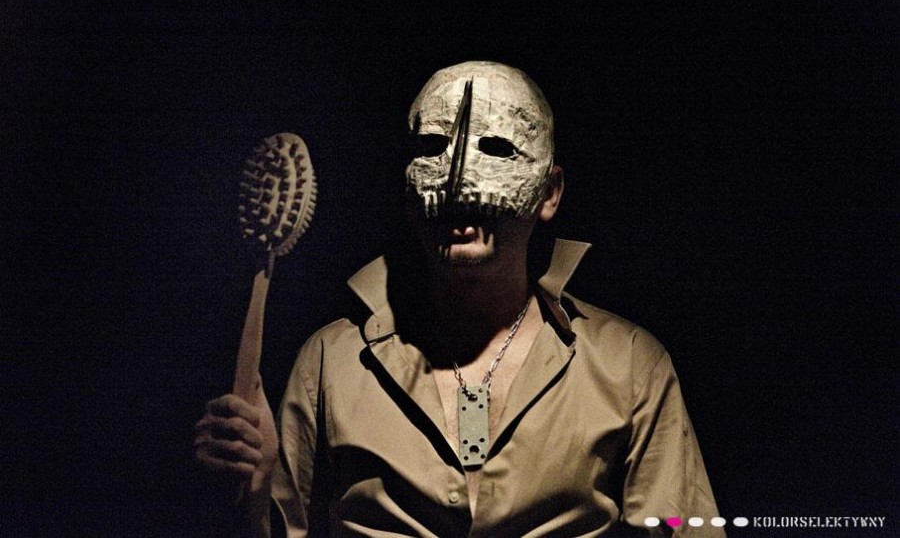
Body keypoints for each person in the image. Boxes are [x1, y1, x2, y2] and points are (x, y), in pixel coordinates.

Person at [194, 61, 724, 536]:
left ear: (550, 192)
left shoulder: (628, 366)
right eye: (432, 147)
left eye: (496, 149)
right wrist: (252, 491)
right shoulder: (330, 364)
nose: (454, 180)